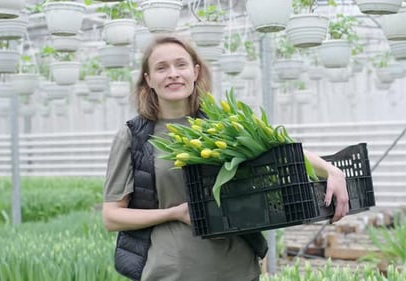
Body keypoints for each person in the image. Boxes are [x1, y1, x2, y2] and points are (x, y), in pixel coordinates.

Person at [102, 35, 349, 281]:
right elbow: (112, 217)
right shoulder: (135, 137)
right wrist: (175, 213)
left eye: (181, 64)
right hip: (172, 271)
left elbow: (278, 147)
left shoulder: (222, 124)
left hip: (238, 269)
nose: (173, 74)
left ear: (195, 71)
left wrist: (332, 171)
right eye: (161, 68)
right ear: (148, 80)